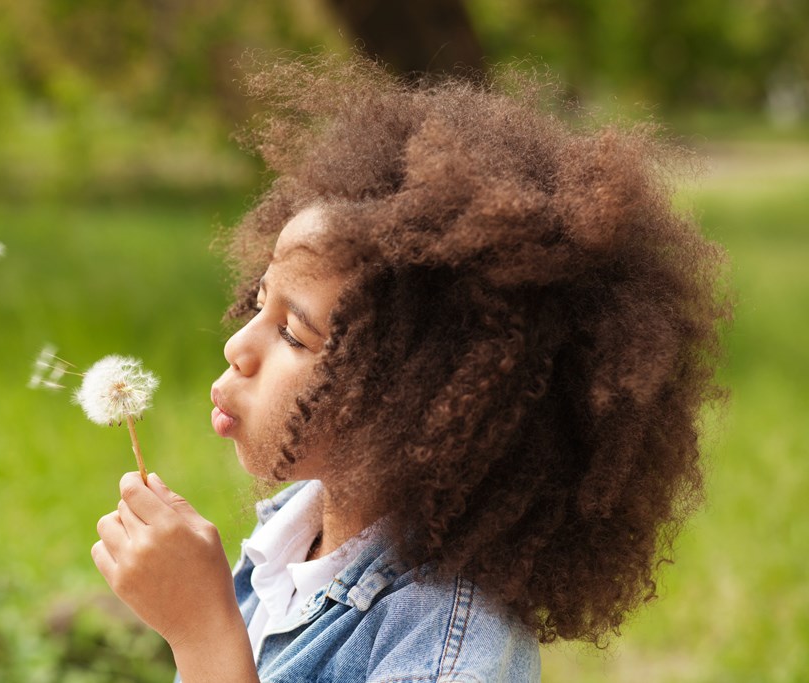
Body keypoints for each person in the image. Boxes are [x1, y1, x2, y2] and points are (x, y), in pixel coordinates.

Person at [89, 54, 731, 682]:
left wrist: (203, 634)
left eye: (292, 331)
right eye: (259, 303)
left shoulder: (450, 648)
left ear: (417, 406)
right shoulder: (291, 539)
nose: (239, 345)